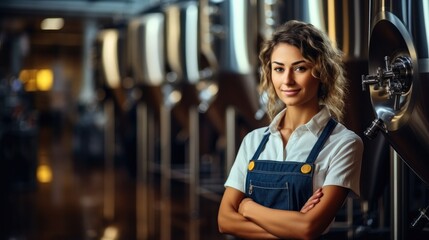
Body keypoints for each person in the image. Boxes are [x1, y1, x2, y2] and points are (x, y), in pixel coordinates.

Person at [217, 20, 363, 239]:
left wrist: (247, 208)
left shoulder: (344, 143)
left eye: (300, 68)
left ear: (321, 72)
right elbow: (225, 220)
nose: (287, 80)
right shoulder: (254, 141)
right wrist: (290, 228)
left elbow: (308, 228)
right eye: (278, 69)